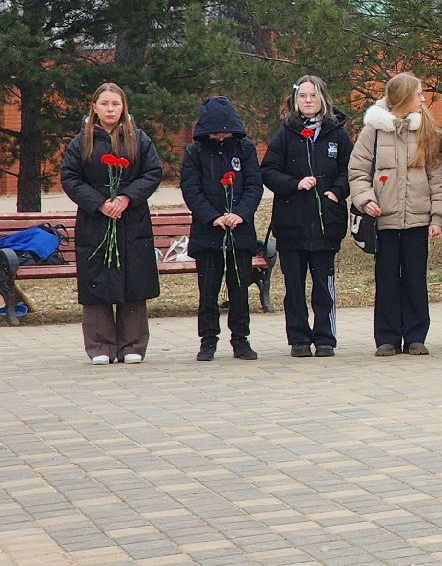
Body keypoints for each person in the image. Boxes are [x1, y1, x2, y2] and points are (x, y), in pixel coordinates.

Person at [60, 83, 164, 365]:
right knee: (97, 282)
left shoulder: (138, 139)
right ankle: (100, 345)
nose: (109, 109)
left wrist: (127, 197)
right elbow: (70, 177)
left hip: (131, 220)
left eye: (115, 104)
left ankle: (132, 344)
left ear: (123, 107)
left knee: (133, 280)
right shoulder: (82, 141)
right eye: (104, 103)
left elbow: (153, 171)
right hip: (96, 221)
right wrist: (98, 203)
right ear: (94, 107)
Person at [349, 73, 442, 356]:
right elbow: (357, 170)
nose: (423, 99)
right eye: (418, 94)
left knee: (416, 278)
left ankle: (417, 336)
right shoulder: (374, 130)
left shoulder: (426, 129)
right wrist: (366, 199)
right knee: (388, 278)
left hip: (418, 218)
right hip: (385, 219)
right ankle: (387, 337)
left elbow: (436, 176)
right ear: (404, 97)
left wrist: (437, 217)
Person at [260, 76, 353, 357]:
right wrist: (294, 183)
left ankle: (325, 337)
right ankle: (299, 338)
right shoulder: (286, 133)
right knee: (294, 288)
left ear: (322, 98)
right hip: (291, 223)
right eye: (303, 96)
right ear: (295, 101)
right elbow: (269, 171)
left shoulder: (336, 133)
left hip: (326, 223)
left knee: (323, 285)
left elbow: (352, 168)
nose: (308, 101)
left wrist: (336, 192)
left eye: (313, 96)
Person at [181, 96, 265, 362]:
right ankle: (208, 340)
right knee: (208, 290)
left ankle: (241, 339)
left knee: (239, 287)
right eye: (215, 131)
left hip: (239, 232)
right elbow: (191, 190)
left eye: (224, 131)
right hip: (209, 233)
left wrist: (239, 214)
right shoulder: (195, 152)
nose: (220, 136)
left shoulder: (245, 149)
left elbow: (254, 185)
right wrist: (212, 217)